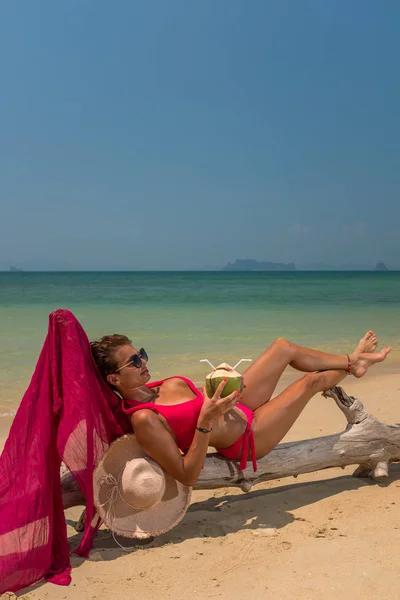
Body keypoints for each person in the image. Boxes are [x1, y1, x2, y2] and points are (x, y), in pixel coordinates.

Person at [90, 331, 391, 486]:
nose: (143, 362)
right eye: (134, 362)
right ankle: (356, 366)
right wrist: (205, 421)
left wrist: (220, 378)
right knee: (309, 383)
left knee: (283, 346)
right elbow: (186, 475)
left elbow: (202, 398)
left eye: (140, 354)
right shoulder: (144, 418)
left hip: (239, 403)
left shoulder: (157, 385)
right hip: (248, 435)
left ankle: (352, 361)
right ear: (114, 379)